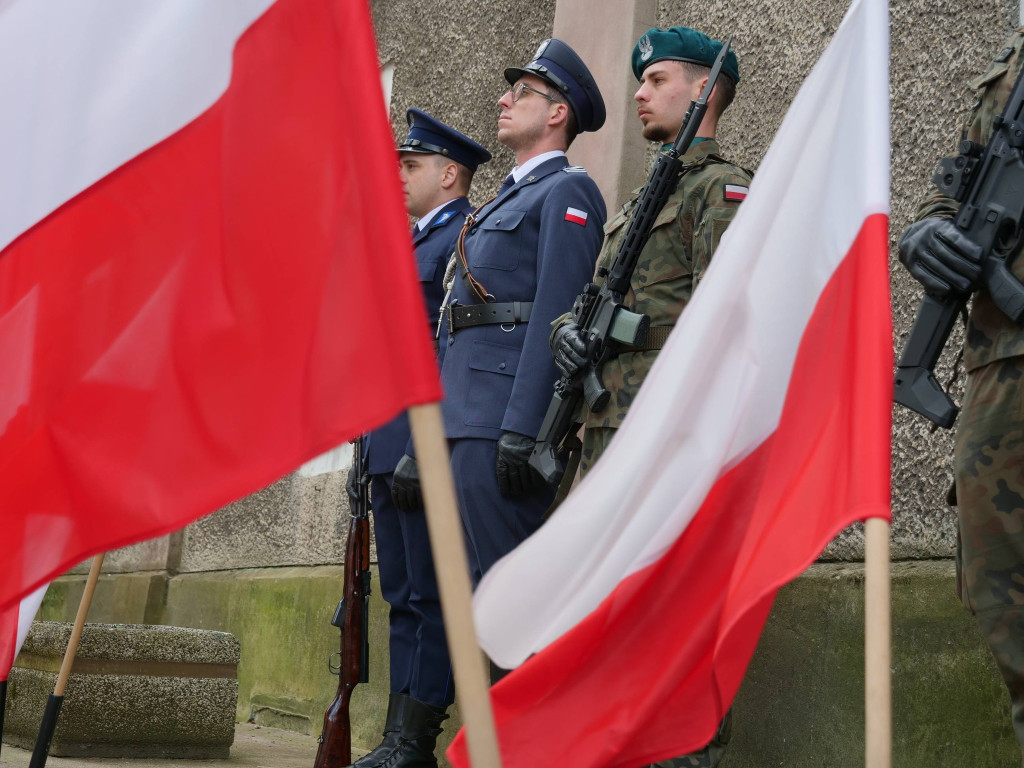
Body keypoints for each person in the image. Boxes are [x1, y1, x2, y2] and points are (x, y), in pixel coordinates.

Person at [550, 27, 751, 768]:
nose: (639, 91)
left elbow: (726, 318)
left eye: (658, 79)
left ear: (705, 89)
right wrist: (567, 337)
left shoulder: (720, 189)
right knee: (613, 614)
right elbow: (593, 300)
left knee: (672, 615)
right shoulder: (639, 201)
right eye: (642, 79)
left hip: (670, 442)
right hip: (607, 439)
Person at [390, 39, 607, 592]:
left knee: (512, 598)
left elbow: (556, 315)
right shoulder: (495, 205)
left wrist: (524, 430)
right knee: (472, 601)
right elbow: (450, 328)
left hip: (499, 426)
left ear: (558, 113)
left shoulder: (566, 191)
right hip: (461, 421)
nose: (504, 100)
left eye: (523, 92)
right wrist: (424, 442)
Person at [345, 108, 491, 768]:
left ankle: (415, 741)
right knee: (399, 594)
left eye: (413, 165)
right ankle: (396, 738)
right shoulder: (410, 244)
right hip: (385, 441)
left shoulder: (463, 237)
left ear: (450, 174)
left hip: (422, 444)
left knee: (431, 593)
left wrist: (412, 447)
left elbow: (447, 352)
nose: (400, 175)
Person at [897, 26, 1024, 760]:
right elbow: (954, 185)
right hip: (999, 381)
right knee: (1008, 609)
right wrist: (927, 232)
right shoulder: (1008, 71)